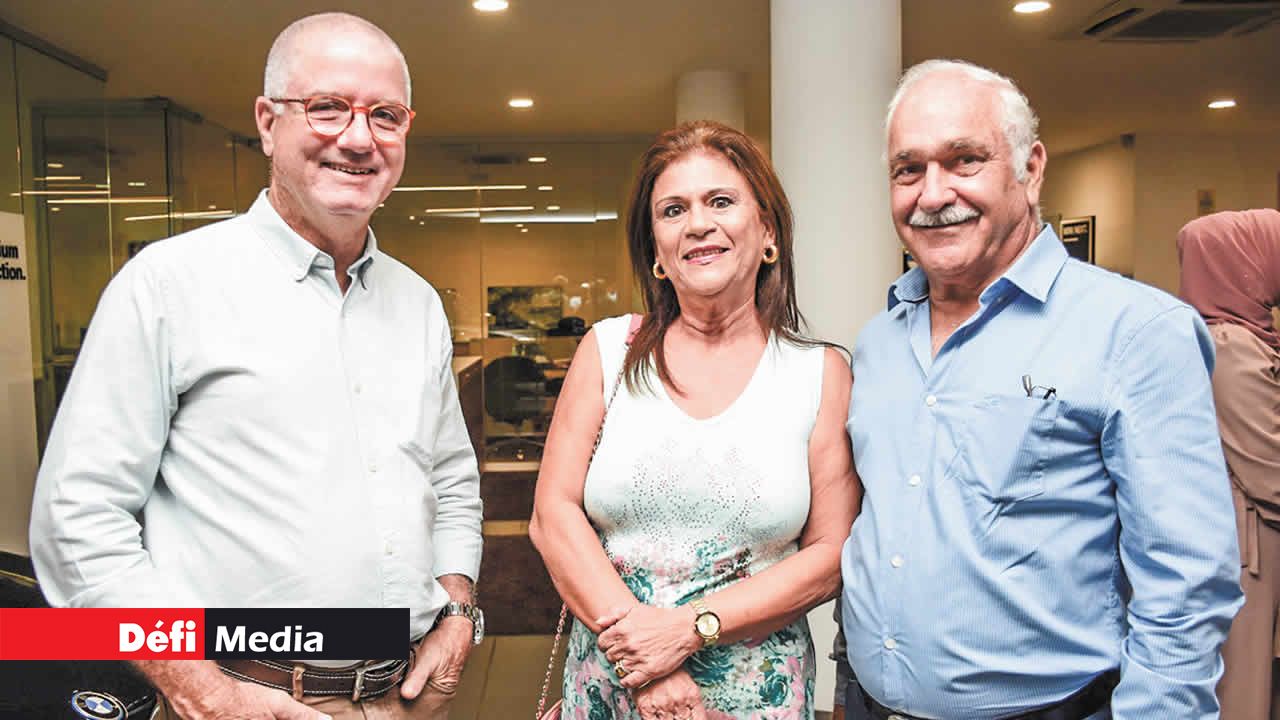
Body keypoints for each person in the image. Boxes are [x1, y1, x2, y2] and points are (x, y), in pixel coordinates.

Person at [29, 13, 483, 720]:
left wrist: (456, 611)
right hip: (243, 698)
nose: (358, 138)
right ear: (269, 124)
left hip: (403, 698)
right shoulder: (169, 285)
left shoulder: (417, 303)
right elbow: (77, 521)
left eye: (385, 116)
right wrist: (203, 691)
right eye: (328, 107)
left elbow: (449, 481)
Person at [840, 58, 1243, 719]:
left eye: (964, 160)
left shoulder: (1138, 332)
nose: (932, 194)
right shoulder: (879, 343)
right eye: (908, 170)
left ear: (1030, 170)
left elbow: (1187, 586)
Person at [529, 120, 859, 720]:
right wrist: (646, 659)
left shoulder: (820, 374)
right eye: (673, 210)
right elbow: (553, 515)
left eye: (721, 201)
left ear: (768, 232)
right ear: (656, 250)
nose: (698, 223)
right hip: (614, 688)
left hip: (755, 700)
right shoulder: (608, 351)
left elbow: (830, 552)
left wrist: (688, 629)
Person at [1178, 209, 1280, 720]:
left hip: (1240, 538)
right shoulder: (1231, 348)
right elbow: (1269, 467)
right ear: (1244, 264)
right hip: (1249, 547)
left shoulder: (1223, 337)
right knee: (1244, 687)